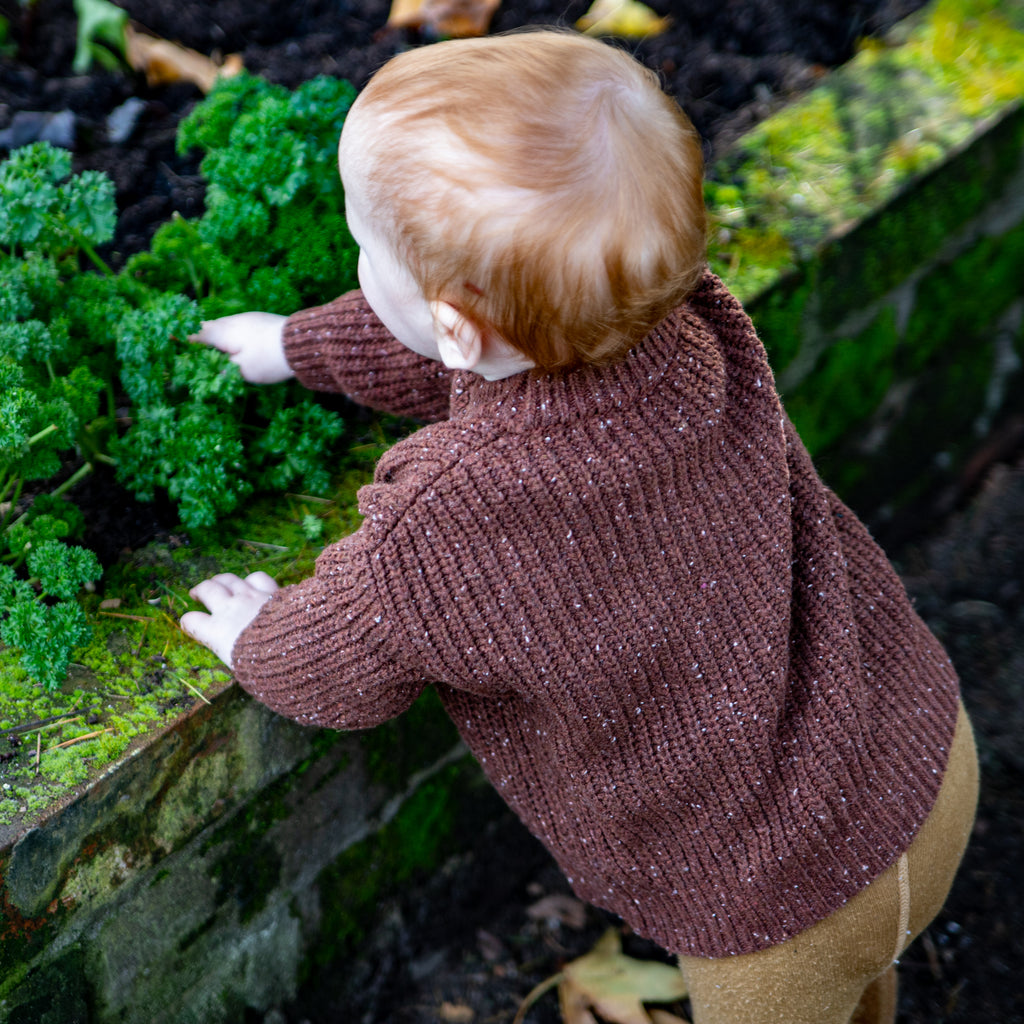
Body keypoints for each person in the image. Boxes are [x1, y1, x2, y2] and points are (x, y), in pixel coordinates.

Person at [180, 30, 978, 1024]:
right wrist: (294, 346)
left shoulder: (456, 513)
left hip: (780, 913)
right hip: (918, 757)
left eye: (362, 244)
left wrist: (261, 638)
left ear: (461, 326)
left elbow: (348, 655)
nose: (354, 257)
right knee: (866, 984)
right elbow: (461, 354)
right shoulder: (689, 328)